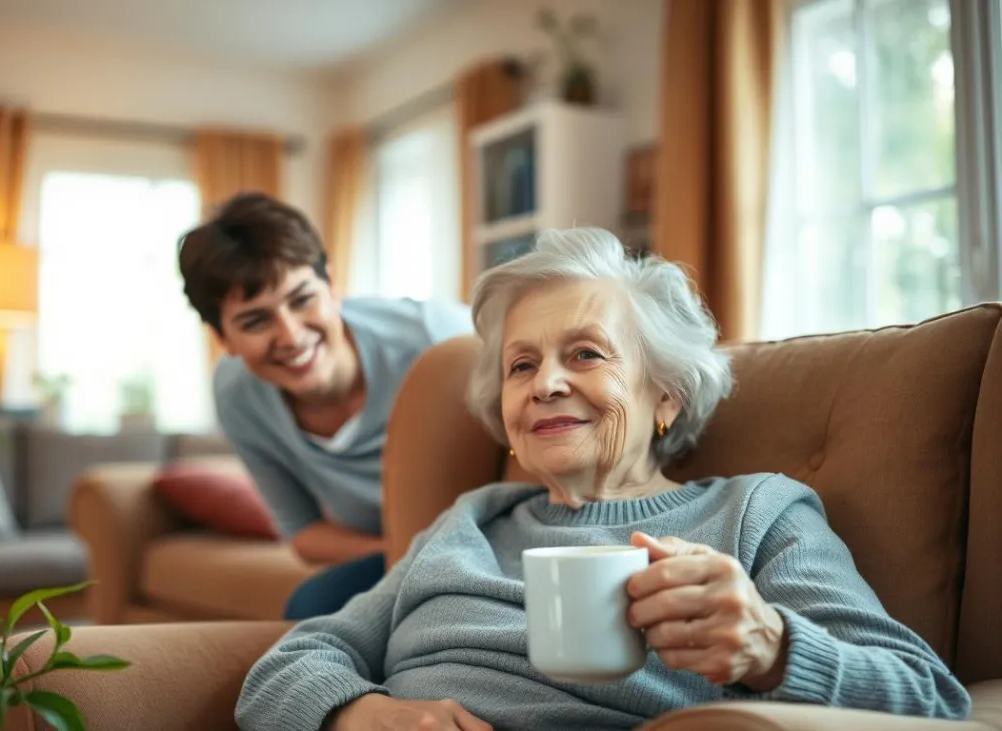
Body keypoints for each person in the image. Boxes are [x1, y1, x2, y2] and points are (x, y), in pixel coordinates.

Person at [233, 227, 972, 731]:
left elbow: (930, 697)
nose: (546, 383)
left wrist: (773, 646)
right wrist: (358, 713)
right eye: (522, 365)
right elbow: (292, 662)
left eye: (586, 353)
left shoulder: (754, 513)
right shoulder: (471, 520)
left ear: (666, 394)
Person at [177, 192, 474, 619]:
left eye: (302, 300)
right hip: (394, 551)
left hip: (487, 534)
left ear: (332, 286)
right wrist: (404, 552)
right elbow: (304, 533)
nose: (291, 336)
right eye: (256, 320)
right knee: (309, 609)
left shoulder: (436, 336)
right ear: (223, 338)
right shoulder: (237, 396)